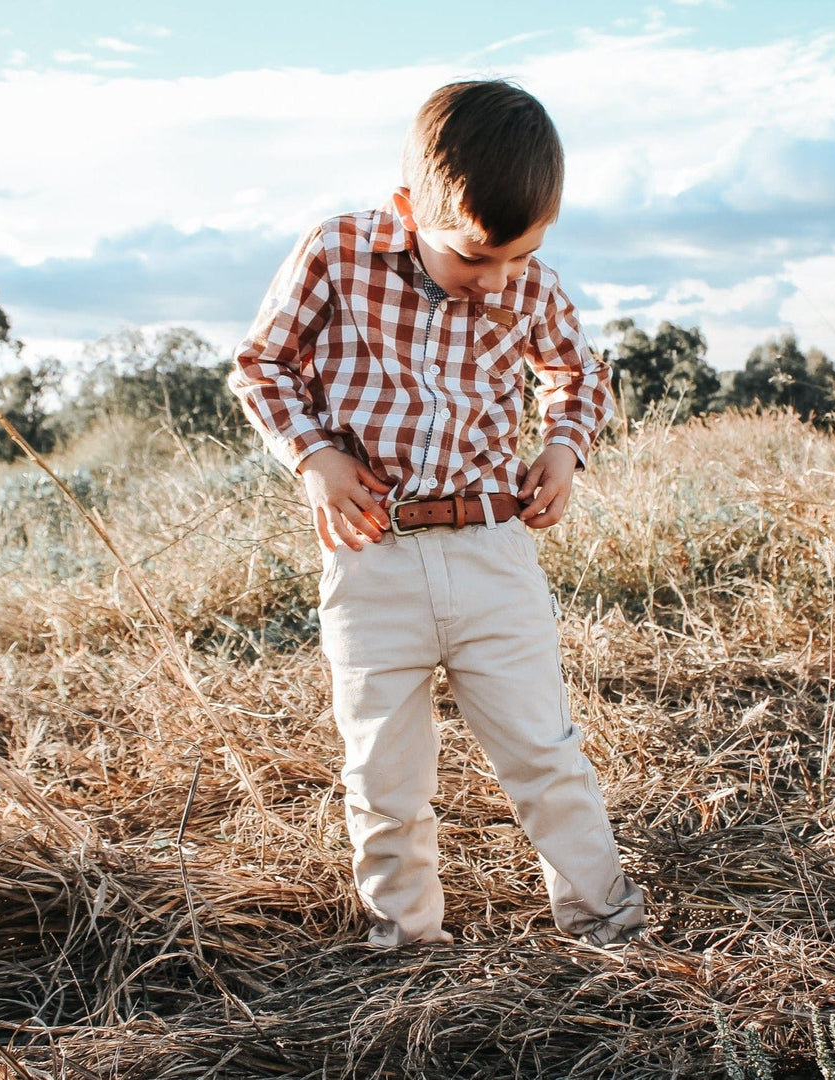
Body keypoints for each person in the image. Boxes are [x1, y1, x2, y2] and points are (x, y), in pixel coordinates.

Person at [229, 79, 646, 947]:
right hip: (373, 552)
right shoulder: (336, 253)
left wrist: (563, 449)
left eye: (520, 257)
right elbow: (261, 365)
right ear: (409, 206)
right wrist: (316, 456)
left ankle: (606, 924)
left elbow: (580, 373)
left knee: (545, 755)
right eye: (474, 256)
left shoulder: (526, 288)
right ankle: (407, 944)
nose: (496, 281)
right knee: (384, 774)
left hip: (494, 551)